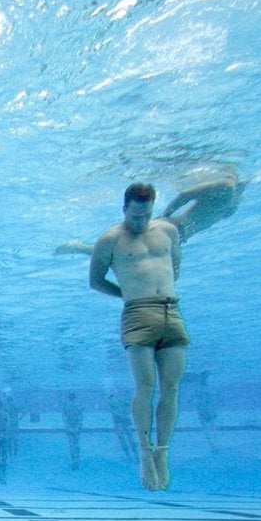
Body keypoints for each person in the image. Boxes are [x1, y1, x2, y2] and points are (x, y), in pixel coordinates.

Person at [89, 182, 189, 491]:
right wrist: (129, 295)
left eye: (145, 214)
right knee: (146, 385)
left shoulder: (168, 232)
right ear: (124, 210)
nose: (140, 221)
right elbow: (95, 281)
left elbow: (174, 267)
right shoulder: (109, 240)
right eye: (134, 215)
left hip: (171, 311)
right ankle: (145, 454)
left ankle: (162, 452)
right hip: (137, 314)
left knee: (171, 387)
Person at [54, 173, 247, 254]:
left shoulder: (234, 196)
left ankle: (81, 248)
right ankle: (79, 247)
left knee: (124, 250)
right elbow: (185, 194)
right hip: (172, 227)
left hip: (180, 235)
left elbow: (214, 213)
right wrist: (164, 217)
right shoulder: (226, 186)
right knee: (122, 249)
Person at [107, 392, 138, 462]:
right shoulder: (123, 400)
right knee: (130, 437)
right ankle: (136, 455)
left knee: (123, 438)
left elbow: (112, 411)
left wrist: (118, 414)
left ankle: (129, 456)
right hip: (125, 421)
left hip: (118, 421)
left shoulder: (111, 403)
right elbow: (129, 407)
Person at [61, 392, 83, 471]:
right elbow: (81, 416)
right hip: (76, 427)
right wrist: (78, 426)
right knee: (76, 443)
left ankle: (74, 460)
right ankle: (76, 459)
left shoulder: (66, 406)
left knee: (72, 444)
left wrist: (68, 426)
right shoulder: (79, 406)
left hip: (70, 427)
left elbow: (64, 417)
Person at [5, 396, 23, 461]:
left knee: (9, 440)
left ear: (8, 400)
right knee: (16, 440)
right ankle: (15, 454)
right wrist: (19, 419)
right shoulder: (16, 405)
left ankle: (10, 454)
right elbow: (24, 412)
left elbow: (4, 415)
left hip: (9, 424)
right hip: (15, 423)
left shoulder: (6, 406)